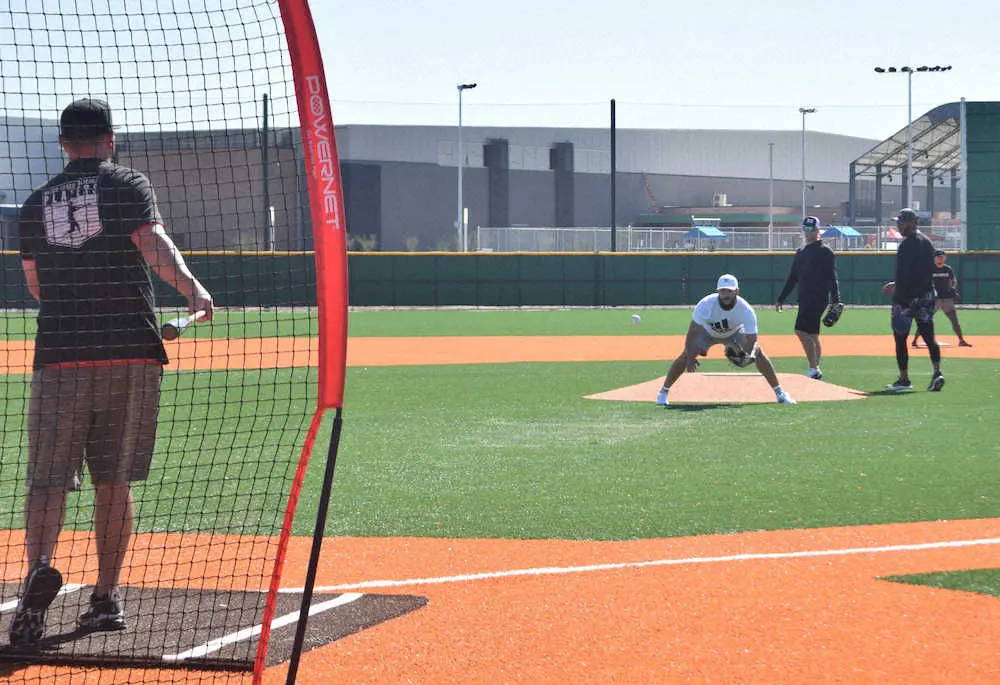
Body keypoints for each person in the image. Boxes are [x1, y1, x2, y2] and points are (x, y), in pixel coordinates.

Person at [11, 98, 214, 646]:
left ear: (63, 144)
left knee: (48, 480)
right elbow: (153, 245)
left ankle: (39, 573)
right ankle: (104, 598)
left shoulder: (34, 205)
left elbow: (36, 287)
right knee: (113, 479)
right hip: (129, 352)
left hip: (60, 355)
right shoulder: (127, 184)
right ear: (109, 138)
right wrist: (193, 290)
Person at [655, 274, 796, 406]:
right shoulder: (706, 304)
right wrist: (691, 356)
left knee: (758, 352)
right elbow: (692, 333)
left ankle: (780, 394)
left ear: (737, 291)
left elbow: (752, 339)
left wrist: (745, 357)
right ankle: (663, 393)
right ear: (718, 291)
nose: (726, 295)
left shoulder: (746, 310)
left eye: (729, 291)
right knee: (685, 355)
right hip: (707, 332)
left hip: (734, 333)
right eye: (722, 291)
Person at [880, 208, 943, 392]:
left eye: (901, 222)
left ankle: (904, 379)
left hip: (906, 299)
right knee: (929, 337)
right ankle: (937, 372)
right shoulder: (927, 242)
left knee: (900, 338)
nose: (898, 225)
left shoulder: (907, 244)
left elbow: (907, 273)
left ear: (912, 223)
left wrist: (898, 290)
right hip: (926, 296)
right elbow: (923, 272)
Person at [775, 216, 841, 380]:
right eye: (805, 228)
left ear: (818, 231)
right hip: (804, 298)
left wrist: (836, 299)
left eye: (811, 229)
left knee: (800, 330)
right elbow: (793, 278)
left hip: (817, 298)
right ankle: (814, 370)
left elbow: (832, 277)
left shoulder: (825, 251)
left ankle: (813, 368)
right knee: (812, 335)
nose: (807, 232)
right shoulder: (801, 253)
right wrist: (781, 299)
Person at [911, 249, 971, 348]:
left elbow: (953, 280)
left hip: (947, 299)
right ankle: (914, 341)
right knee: (926, 320)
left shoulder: (948, 269)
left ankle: (961, 340)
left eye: (942, 257)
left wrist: (953, 289)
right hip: (934, 300)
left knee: (954, 321)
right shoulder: (930, 269)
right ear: (934, 259)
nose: (940, 258)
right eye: (938, 257)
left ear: (945, 258)